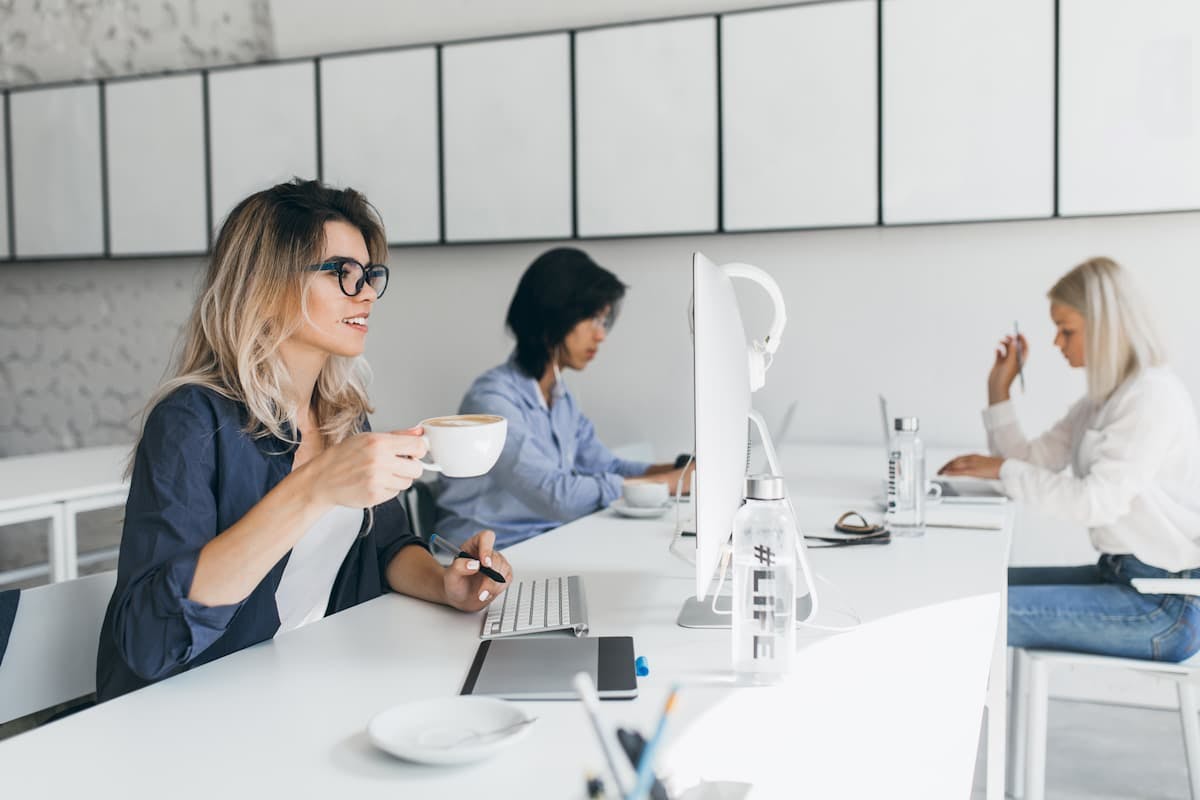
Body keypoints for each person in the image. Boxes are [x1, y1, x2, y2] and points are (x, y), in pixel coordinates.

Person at [97, 179, 512, 701]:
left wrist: (445, 585)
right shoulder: (190, 421)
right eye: (344, 273)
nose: (365, 292)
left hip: (297, 688)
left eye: (370, 276)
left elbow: (383, 547)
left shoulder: (340, 414)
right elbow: (149, 637)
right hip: (189, 711)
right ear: (268, 284)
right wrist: (314, 487)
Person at [940, 257, 1200, 661]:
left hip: (1162, 607)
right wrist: (999, 390)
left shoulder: (1151, 397)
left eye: (1066, 331)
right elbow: (1032, 461)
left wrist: (1004, 471)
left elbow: (1093, 501)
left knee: (967, 613)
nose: (1057, 343)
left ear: (1107, 329)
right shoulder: (1100, 401)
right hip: (1119, 576)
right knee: (970, 589)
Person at [435, 247, 691, 549]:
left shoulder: (561, 398)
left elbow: (605, 466)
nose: (601, 336)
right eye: (593, 320)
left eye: (603, 322)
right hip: (488, 556)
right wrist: (672, 482)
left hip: (544, 543)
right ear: (555, 315)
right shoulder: (491, 401)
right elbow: (557, 495)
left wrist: (683, 468)